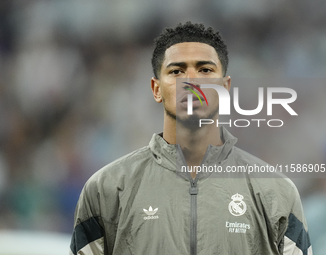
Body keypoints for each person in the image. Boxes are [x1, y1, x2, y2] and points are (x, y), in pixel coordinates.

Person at [70, 22, 312, 255]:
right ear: (156, 89)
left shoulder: (276, 192)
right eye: (176, 71)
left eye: (205, 70)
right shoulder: (107, 189)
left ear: (225, 88)